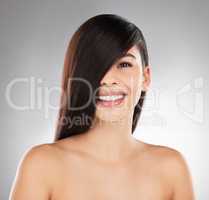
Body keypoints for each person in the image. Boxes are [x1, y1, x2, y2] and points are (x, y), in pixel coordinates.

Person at [10, 14, 195, 200]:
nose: (108, 80)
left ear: (146, 78)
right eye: (96, 66)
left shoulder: (172, 169)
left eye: (124, 64)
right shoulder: (41, 165)